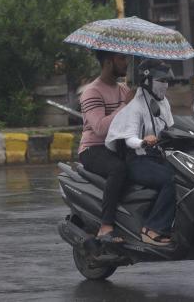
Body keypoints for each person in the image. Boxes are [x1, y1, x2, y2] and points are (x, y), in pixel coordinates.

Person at [106, 59, 176, 246]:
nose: (165, 85)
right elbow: (129, 138)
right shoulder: (136, 106)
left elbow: (172, 128)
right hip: (138, 159)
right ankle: (152, 228)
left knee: (187, 177)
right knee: (170, 180)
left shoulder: (164, 103)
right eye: (161, 81)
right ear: (147, 80)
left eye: (166, 81)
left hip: (159, 157)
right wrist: (143, 141)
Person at [78, 50, 133, 243]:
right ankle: (106, 226)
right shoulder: (92, 91)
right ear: (108, 62)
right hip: (94, 148)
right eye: (121, 59)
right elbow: (100, 128)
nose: (126, 63)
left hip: (119, 147)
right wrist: (125, 105)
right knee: (118, 169)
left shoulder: (125, 90)